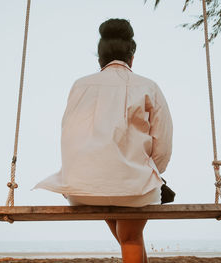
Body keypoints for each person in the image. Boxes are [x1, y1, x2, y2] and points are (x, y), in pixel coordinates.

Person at [33, 18, 173, 263]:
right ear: (131, 57)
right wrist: (153, 173)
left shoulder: (79, 86)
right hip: (132, 188)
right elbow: (163, 144)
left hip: (81, 188)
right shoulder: (148, 86)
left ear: (100, 58)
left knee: (120, 216)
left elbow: (69, 136)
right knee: (130, 235)